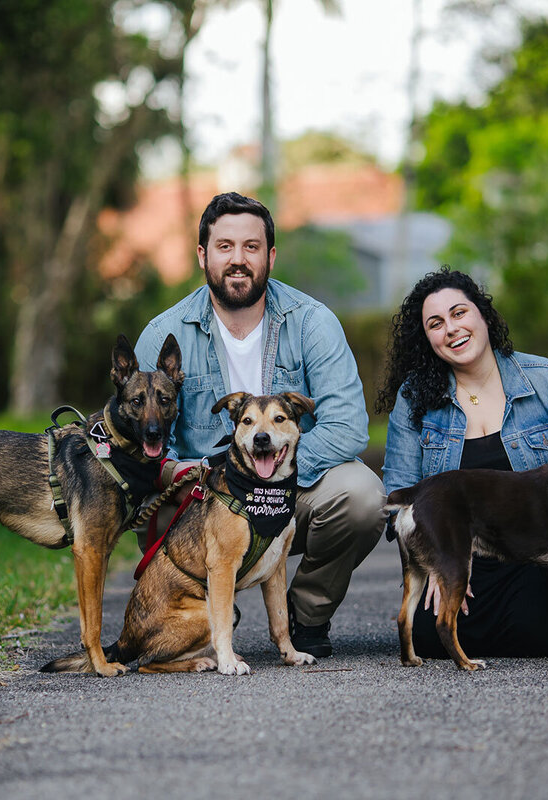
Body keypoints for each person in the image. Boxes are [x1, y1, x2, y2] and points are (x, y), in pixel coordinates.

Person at [134, 191, 386, 658]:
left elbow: (350, 426)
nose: (238, 259)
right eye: (224, 246)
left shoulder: (313, 323)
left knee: (362, 495)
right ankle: (193, 620)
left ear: (270, 255)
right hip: (202, 501)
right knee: (154, 499)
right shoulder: (163, 335)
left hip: (293, 491)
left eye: (251, 247)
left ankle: (304, 617)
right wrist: (177, 472)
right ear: (202, 254)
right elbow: (138, 438)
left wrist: (270, 472)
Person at [377, 267, 548, 658]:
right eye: (436, 323)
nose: (451, 329)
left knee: (534, 633)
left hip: (533, 558)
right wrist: (436, 561)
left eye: (459, 313)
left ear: (483, 315)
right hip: (456, 557)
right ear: (427, 339)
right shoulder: (414, 399)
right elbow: (397, 501)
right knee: (429, 637)